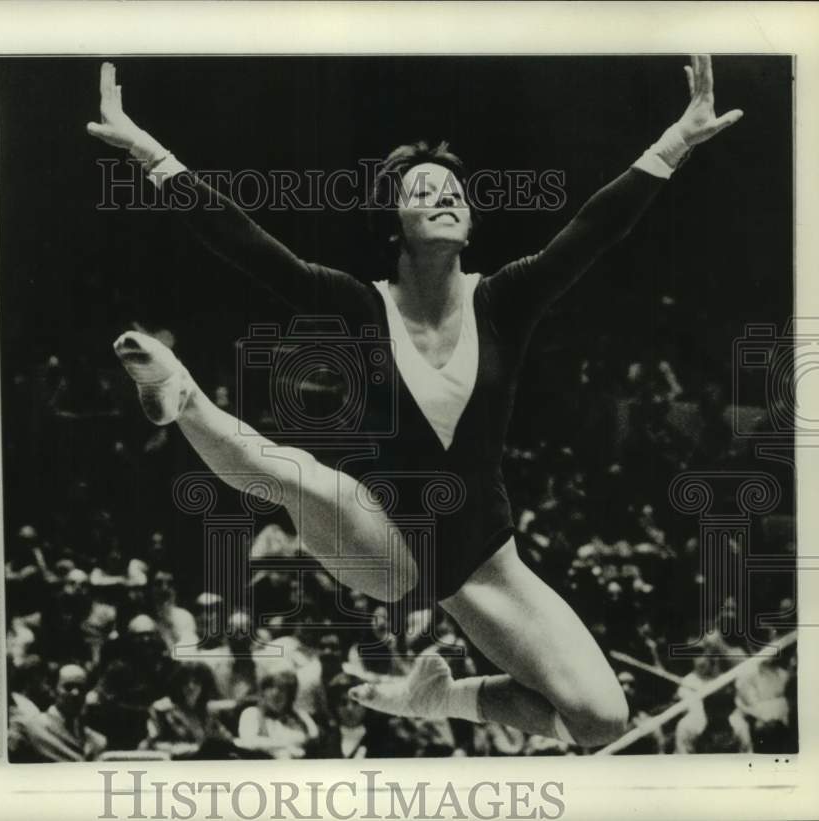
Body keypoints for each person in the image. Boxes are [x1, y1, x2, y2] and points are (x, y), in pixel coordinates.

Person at [88, 56, 742, 747]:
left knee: (600, 718)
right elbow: (246, 243)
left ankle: (441, 695)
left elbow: (594, 228)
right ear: (393, 220)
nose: (445, 196)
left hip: (485, 554)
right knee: (294, 474)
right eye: (423, 188)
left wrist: (678, 139)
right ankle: (181, 394)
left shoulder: (505, 298)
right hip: (383, 535)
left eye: (455, 190)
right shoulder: (357, 304)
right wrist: (145, 149)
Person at [21, 664, 108, 762]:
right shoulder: (32, 728)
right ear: (53, 690)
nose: (75, 693)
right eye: (68, 687)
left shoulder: (97, 741)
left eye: (81, 688)